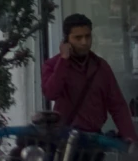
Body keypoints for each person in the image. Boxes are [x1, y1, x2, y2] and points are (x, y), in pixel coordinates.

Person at [43, 13, 136, 142]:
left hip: (93, 139)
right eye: (78, 38)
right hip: (64, 138)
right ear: (66, 40)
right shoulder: (54, 65)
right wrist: (63, 61)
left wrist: (130, 137)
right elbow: (51, 93)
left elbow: (117, 105)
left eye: (88, 36)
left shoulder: (100, 67)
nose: (84, 42)